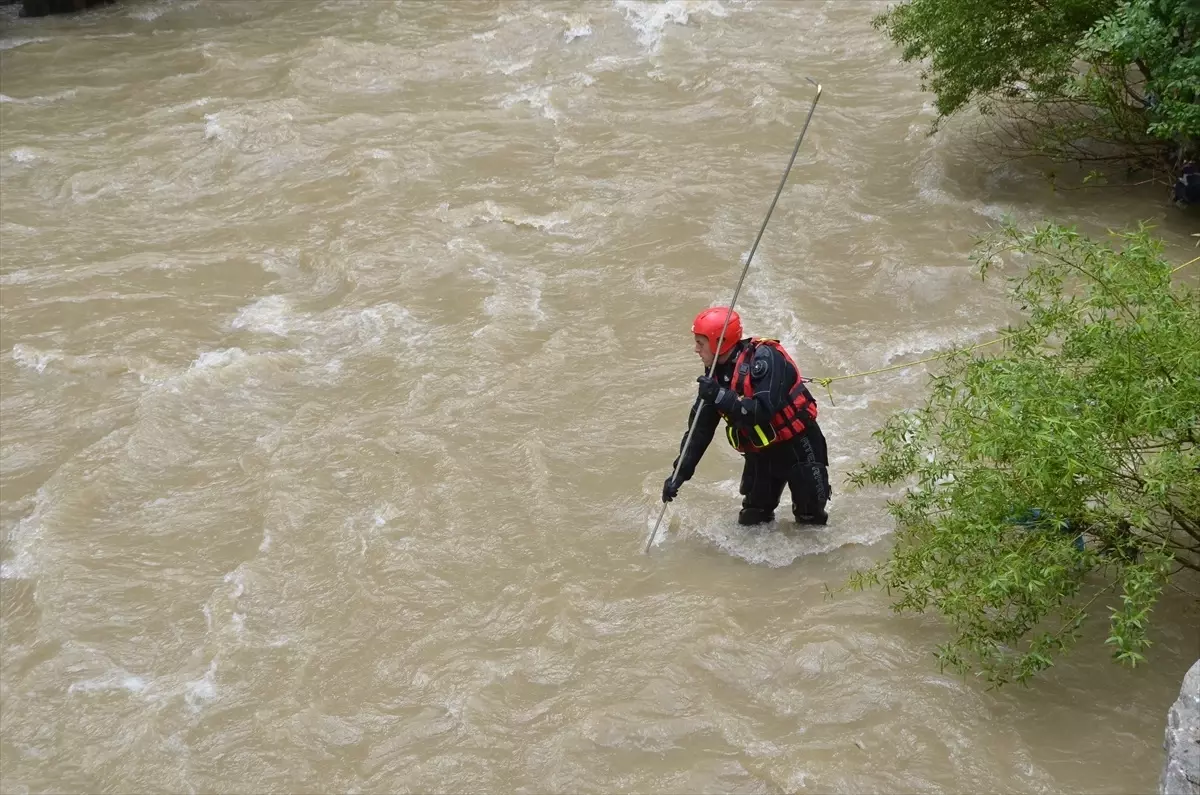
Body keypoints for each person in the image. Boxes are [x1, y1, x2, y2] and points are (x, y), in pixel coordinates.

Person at [661, 306, 831, 526]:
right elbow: (699, 432)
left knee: (811, 520)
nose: (696, 349)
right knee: (753, 517)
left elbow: (762, 411)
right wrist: (678, 475)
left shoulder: (766, 360)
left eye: (700, 343)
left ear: (719, 343)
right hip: (762, 452)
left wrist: (719, 396)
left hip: (799, 446)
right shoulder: (715, 377)